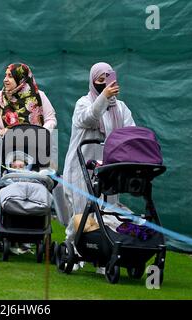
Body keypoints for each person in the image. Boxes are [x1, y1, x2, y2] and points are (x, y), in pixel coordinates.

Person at [62, 62, 136, 243]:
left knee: (108, 212)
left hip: (108, 170)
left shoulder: (121, 108)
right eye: (99, 80)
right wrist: (103, 96)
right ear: (92, 81)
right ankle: (73, 247)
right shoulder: (83, 103)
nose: (104, 83)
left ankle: (104, 252)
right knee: (82, 213)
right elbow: (89, 118)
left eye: (107, 79)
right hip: (81, 168)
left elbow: (130, 132)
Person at [0, 63, 57, 136]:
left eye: (10, 76)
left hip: (35, 143)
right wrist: (2, 133)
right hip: (6, 143)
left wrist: (39, 134)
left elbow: (51, 120)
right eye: (5, 75)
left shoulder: (38, 95)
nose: (5, 80)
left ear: (22, 78)